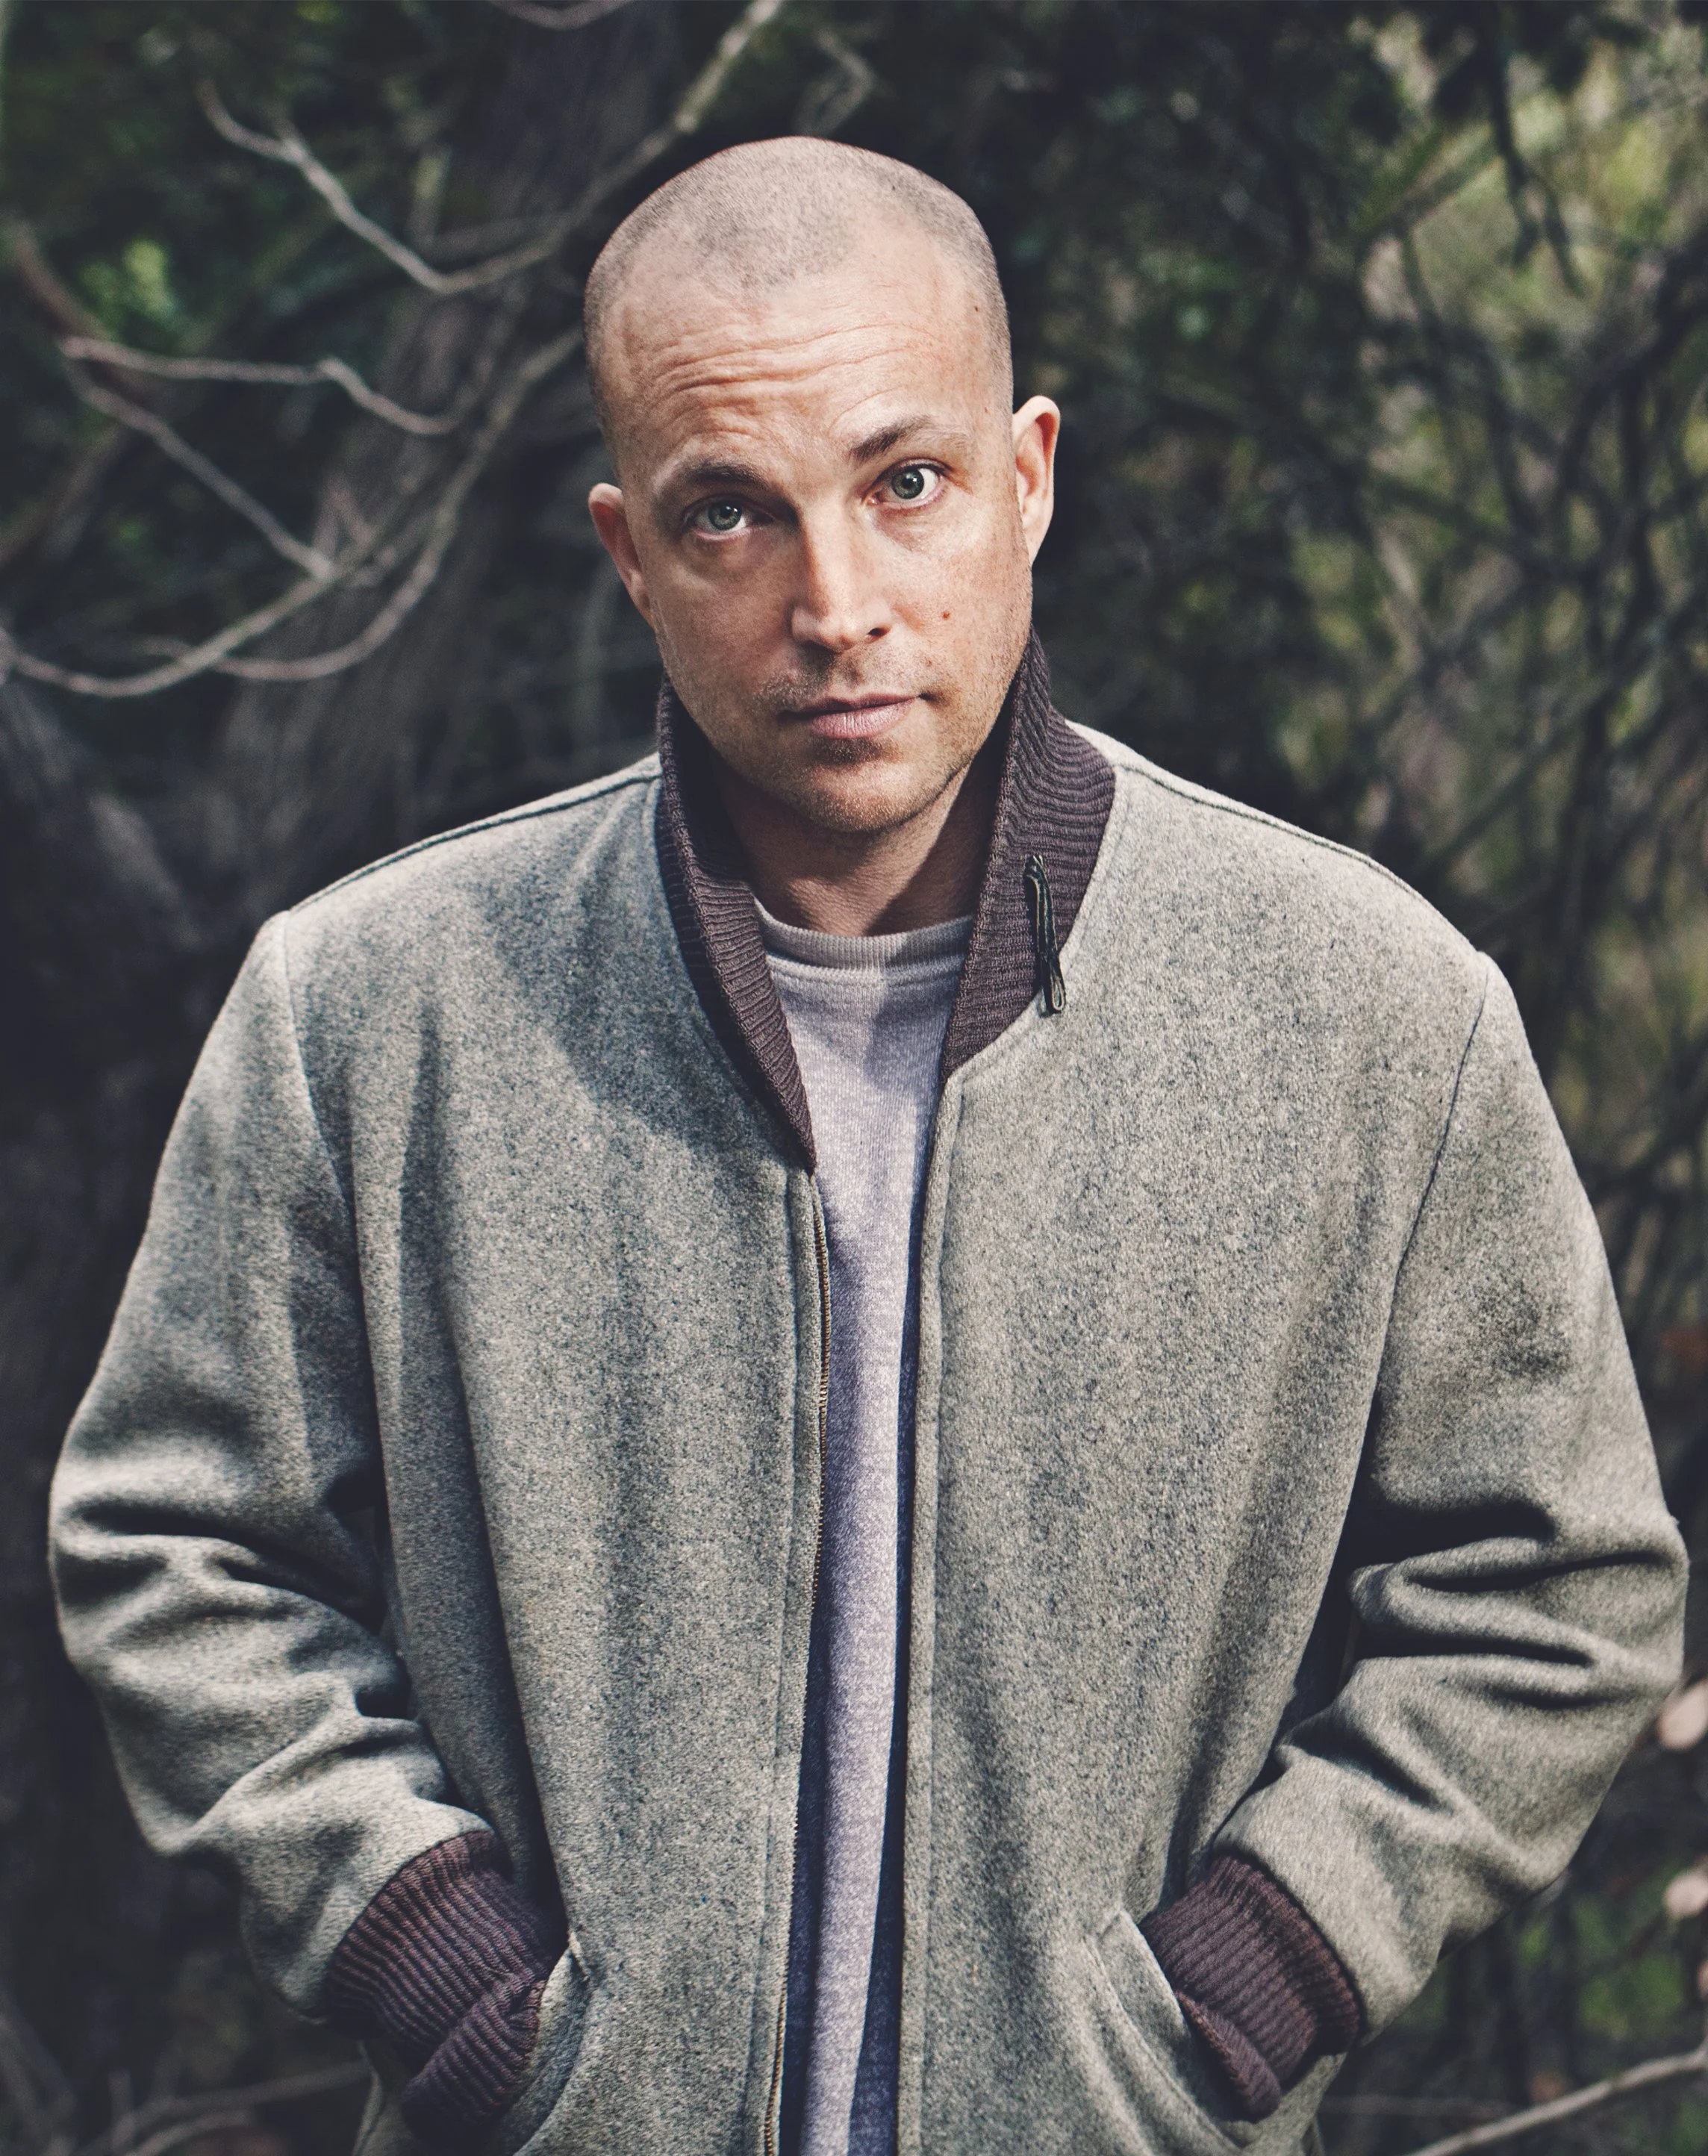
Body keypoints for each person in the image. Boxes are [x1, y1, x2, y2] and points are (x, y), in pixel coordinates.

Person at [51, 138, 1686, 2156]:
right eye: (730, 513)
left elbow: (1559, 1587)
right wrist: (455, 1985)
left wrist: (1247, 1984)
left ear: (1028, 479)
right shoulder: (374, 1014)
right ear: (631, 552)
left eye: (901, 483)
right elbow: (172, 1544)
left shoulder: (1371, 1018)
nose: (834, 606)